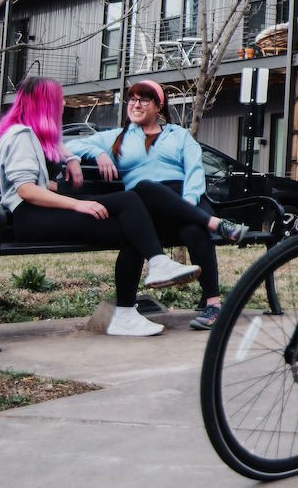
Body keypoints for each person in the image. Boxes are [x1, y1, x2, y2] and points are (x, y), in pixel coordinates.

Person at [0, 77, 199, 337]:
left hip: (41, 212)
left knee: (130, 206)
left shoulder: (32, 134)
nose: (63, 103)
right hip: (31, 219)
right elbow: (26, 190)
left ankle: (145, 284)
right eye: (58, 98)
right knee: (132, 225)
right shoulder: (20, 135)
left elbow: (44, 172)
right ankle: (133, 299)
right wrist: (79, 204)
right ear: (45, 103)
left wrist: (73, 159)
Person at [62, 79, 250, 332]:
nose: (136, 104)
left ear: (158, 107)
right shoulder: (117, 138)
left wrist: (186, 204)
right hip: (146, 209)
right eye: (133, 99)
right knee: (146, 190)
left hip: (185, 199)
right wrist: (99, 153)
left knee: (194, 230)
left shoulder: (179, 135)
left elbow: (194, 170)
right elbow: (68, 144)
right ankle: (218, 225)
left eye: (144, 100)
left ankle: (213, 304)